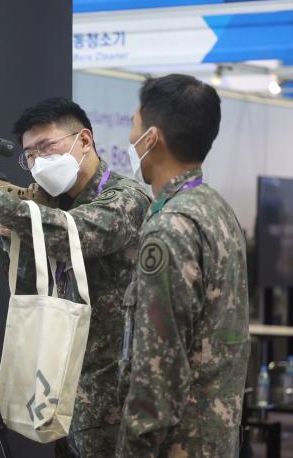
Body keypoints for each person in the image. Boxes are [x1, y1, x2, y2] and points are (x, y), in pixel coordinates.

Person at [0, 97, 151, 457]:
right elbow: (26, 285)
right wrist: (8, 232)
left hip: (116, 400)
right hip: (59, 391)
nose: (39, 160)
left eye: (47, 146)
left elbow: (75, 233)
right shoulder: (46, 203)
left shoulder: (126, 198)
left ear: (85, 140)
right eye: (30, 154)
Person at [116, 74, 250, 457]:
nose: (130, 138)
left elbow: (158, 368)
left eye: (134, 125)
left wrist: (134, 448)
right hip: (213, 439)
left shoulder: (170, 227)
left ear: (152, 138)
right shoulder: (217, 210)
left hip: (176, 445)